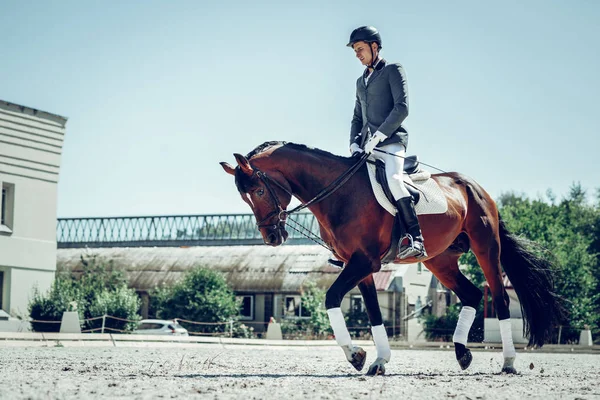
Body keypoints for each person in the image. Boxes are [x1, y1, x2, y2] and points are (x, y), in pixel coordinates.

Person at [347, 26, 427, 260]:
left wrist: (379, 136)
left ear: (374, 47)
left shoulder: (393, 70)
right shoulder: (360, 82)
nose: (357, 54)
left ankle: (416, 237)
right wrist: (354, 143)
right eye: (354, 51)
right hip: (366, 147)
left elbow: (402, 107)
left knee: (394, 181)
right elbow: (356, 118)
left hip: (391, 142)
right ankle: (347, 245)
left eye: (360, 49)